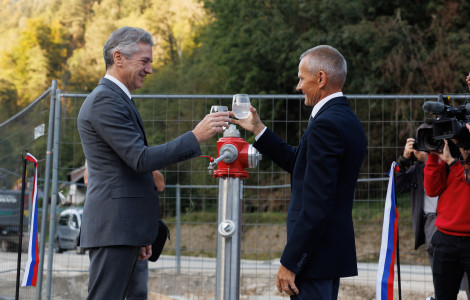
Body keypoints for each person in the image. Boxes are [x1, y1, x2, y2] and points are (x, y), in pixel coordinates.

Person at [77, 26, 231, 300]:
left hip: (127, 231)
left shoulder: (118, 99)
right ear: (118, 57)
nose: (149, 69)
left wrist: (143, 232)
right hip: (115, 230)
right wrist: (196, 137)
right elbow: (140, 159)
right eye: (144, 61)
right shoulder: (104, 101)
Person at [232, 45, 367, 299]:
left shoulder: (325, 124)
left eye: (302, 78)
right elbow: (300, 164)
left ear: (321, 78)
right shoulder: (345, 119)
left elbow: (317, 203)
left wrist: (292, 261)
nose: (298, 86)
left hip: (314, 259)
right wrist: (259, 129)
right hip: (327, 255)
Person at [83, 163, 165, 300]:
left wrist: (141, 164)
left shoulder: (140, 152)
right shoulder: (100, 150)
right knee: (105, 290)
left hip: (136, 230)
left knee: (138, 291)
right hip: (110, 232)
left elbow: (160, 184)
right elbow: (87, 180)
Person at [424, 138, 470, 300]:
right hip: (446, 239)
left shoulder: (454, 164)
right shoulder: (450, 163)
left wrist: (452, 162)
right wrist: (433, 157)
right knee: (443, 296)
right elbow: (432, 190)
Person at [394, 137, 438, 265]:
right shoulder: (417, 170)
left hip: (450, 224)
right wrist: (404, 159)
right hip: (430, 225)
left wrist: (429, 159)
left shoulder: (452, 162)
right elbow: (396, 187)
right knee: (441, 279)